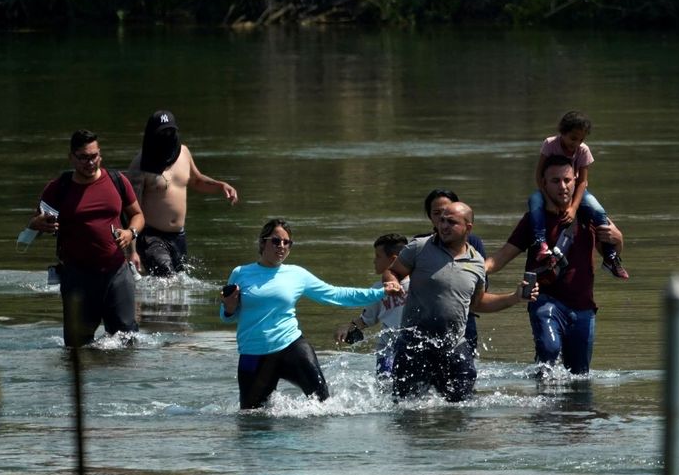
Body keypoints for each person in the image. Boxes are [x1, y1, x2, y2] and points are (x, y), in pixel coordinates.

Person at [220, 219, 402, 409]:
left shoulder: (297, 274)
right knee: (250, 419)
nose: (281, 246)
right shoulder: (241, 273)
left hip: (292, 347)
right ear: (262, 242)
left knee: (325, 406)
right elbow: (226, 316)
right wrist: (229, 308)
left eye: (286, 242)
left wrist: (380, 292)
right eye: (275, 241)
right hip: (253, 353)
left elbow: (335, 294)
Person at [484, 155, 625, 375]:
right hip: (545, 300)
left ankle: (573, 410)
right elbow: (500, 258)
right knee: (548, 352)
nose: (563, 186)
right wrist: (468, 270)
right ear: (543, 183)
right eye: (555, 181)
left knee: (580, 374)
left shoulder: (589, 216)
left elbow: (611, 256)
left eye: (567, 180)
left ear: (576, 180)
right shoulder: (533, 220)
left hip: (583, 306)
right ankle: (542, 406)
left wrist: (618, 238)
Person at [385, 202, 536, 402]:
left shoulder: (477, 263)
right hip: (414, 345)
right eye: (442, 220)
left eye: (452, 222)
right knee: (405, 409)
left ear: (468, 228)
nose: (444, 226)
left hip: (454, 346)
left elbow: (477, 303)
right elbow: (392, 271)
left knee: (461, 408)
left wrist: (514, 297)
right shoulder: (419, 247)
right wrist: (392, 283)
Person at [25, 129, 145, 347]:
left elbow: (137, 215)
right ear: (71, 157)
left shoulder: (117, 181)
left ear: (100, 154)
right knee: (78, 348)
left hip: (117, 273)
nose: (90, 163)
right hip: (77, 277)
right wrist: (37, 225)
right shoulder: (58, 188)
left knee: (128, 342)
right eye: (83, 158)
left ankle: (124, 382)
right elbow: (35, 224)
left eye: (94, 156)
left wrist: (130, 233)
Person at [127, 110, 239, 277]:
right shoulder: (140, 165)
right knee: (167, 276)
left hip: (179, 236)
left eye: (170, 132)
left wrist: (221, 186)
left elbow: (196, 181)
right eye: (162, 133)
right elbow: (131, 211)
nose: (167, 136)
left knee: (179, 286)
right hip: (152, 236)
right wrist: (132, 251)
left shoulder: (184, 153)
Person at [528, 110, 628, 279]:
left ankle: (610, 256)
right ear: (563, 133)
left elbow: (582, 182)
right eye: (573, 138)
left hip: (575, 190)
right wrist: (548, 200)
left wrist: (574, 208)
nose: (576, 143)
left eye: (581, 139)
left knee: (599, 212)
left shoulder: (583, 150)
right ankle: (541, 243)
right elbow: (539, 175)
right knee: (534, 203)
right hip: (549, 189)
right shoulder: (550, 144)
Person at [333, 233, 410, 378]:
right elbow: (365, 320)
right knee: (385, 391)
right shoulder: (378, 290)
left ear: (393, 260)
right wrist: (347, 328)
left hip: (411, 349)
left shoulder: (417, 284)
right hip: (386, 352)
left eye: (378, 256)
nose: (374, 261)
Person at [420, 188, 485, 353]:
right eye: (437, 214)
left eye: (449, 214)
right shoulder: (420, 245)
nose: (444, 220)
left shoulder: (473, 245)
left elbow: (481, 289)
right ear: (430, 217)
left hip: (464, 320)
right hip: (425, 324)